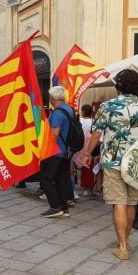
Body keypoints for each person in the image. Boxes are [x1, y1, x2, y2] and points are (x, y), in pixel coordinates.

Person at [84, 69, 138, 260]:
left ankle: (122, 246)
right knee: (132, 203)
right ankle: (125, 240)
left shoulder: (107, 106)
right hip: (136, 163)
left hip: (113, 161)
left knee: (119, 203)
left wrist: (87, 154)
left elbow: (96, 134)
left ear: (118, 87)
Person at [39, 86, 75, 218]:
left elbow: (54, 134)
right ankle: (64, 208)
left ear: (52, 98)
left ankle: (55, 207)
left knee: (45, 178)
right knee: (61, 179)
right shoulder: (69, 109)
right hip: (65, 150)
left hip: (55, 151)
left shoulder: (58, 113)